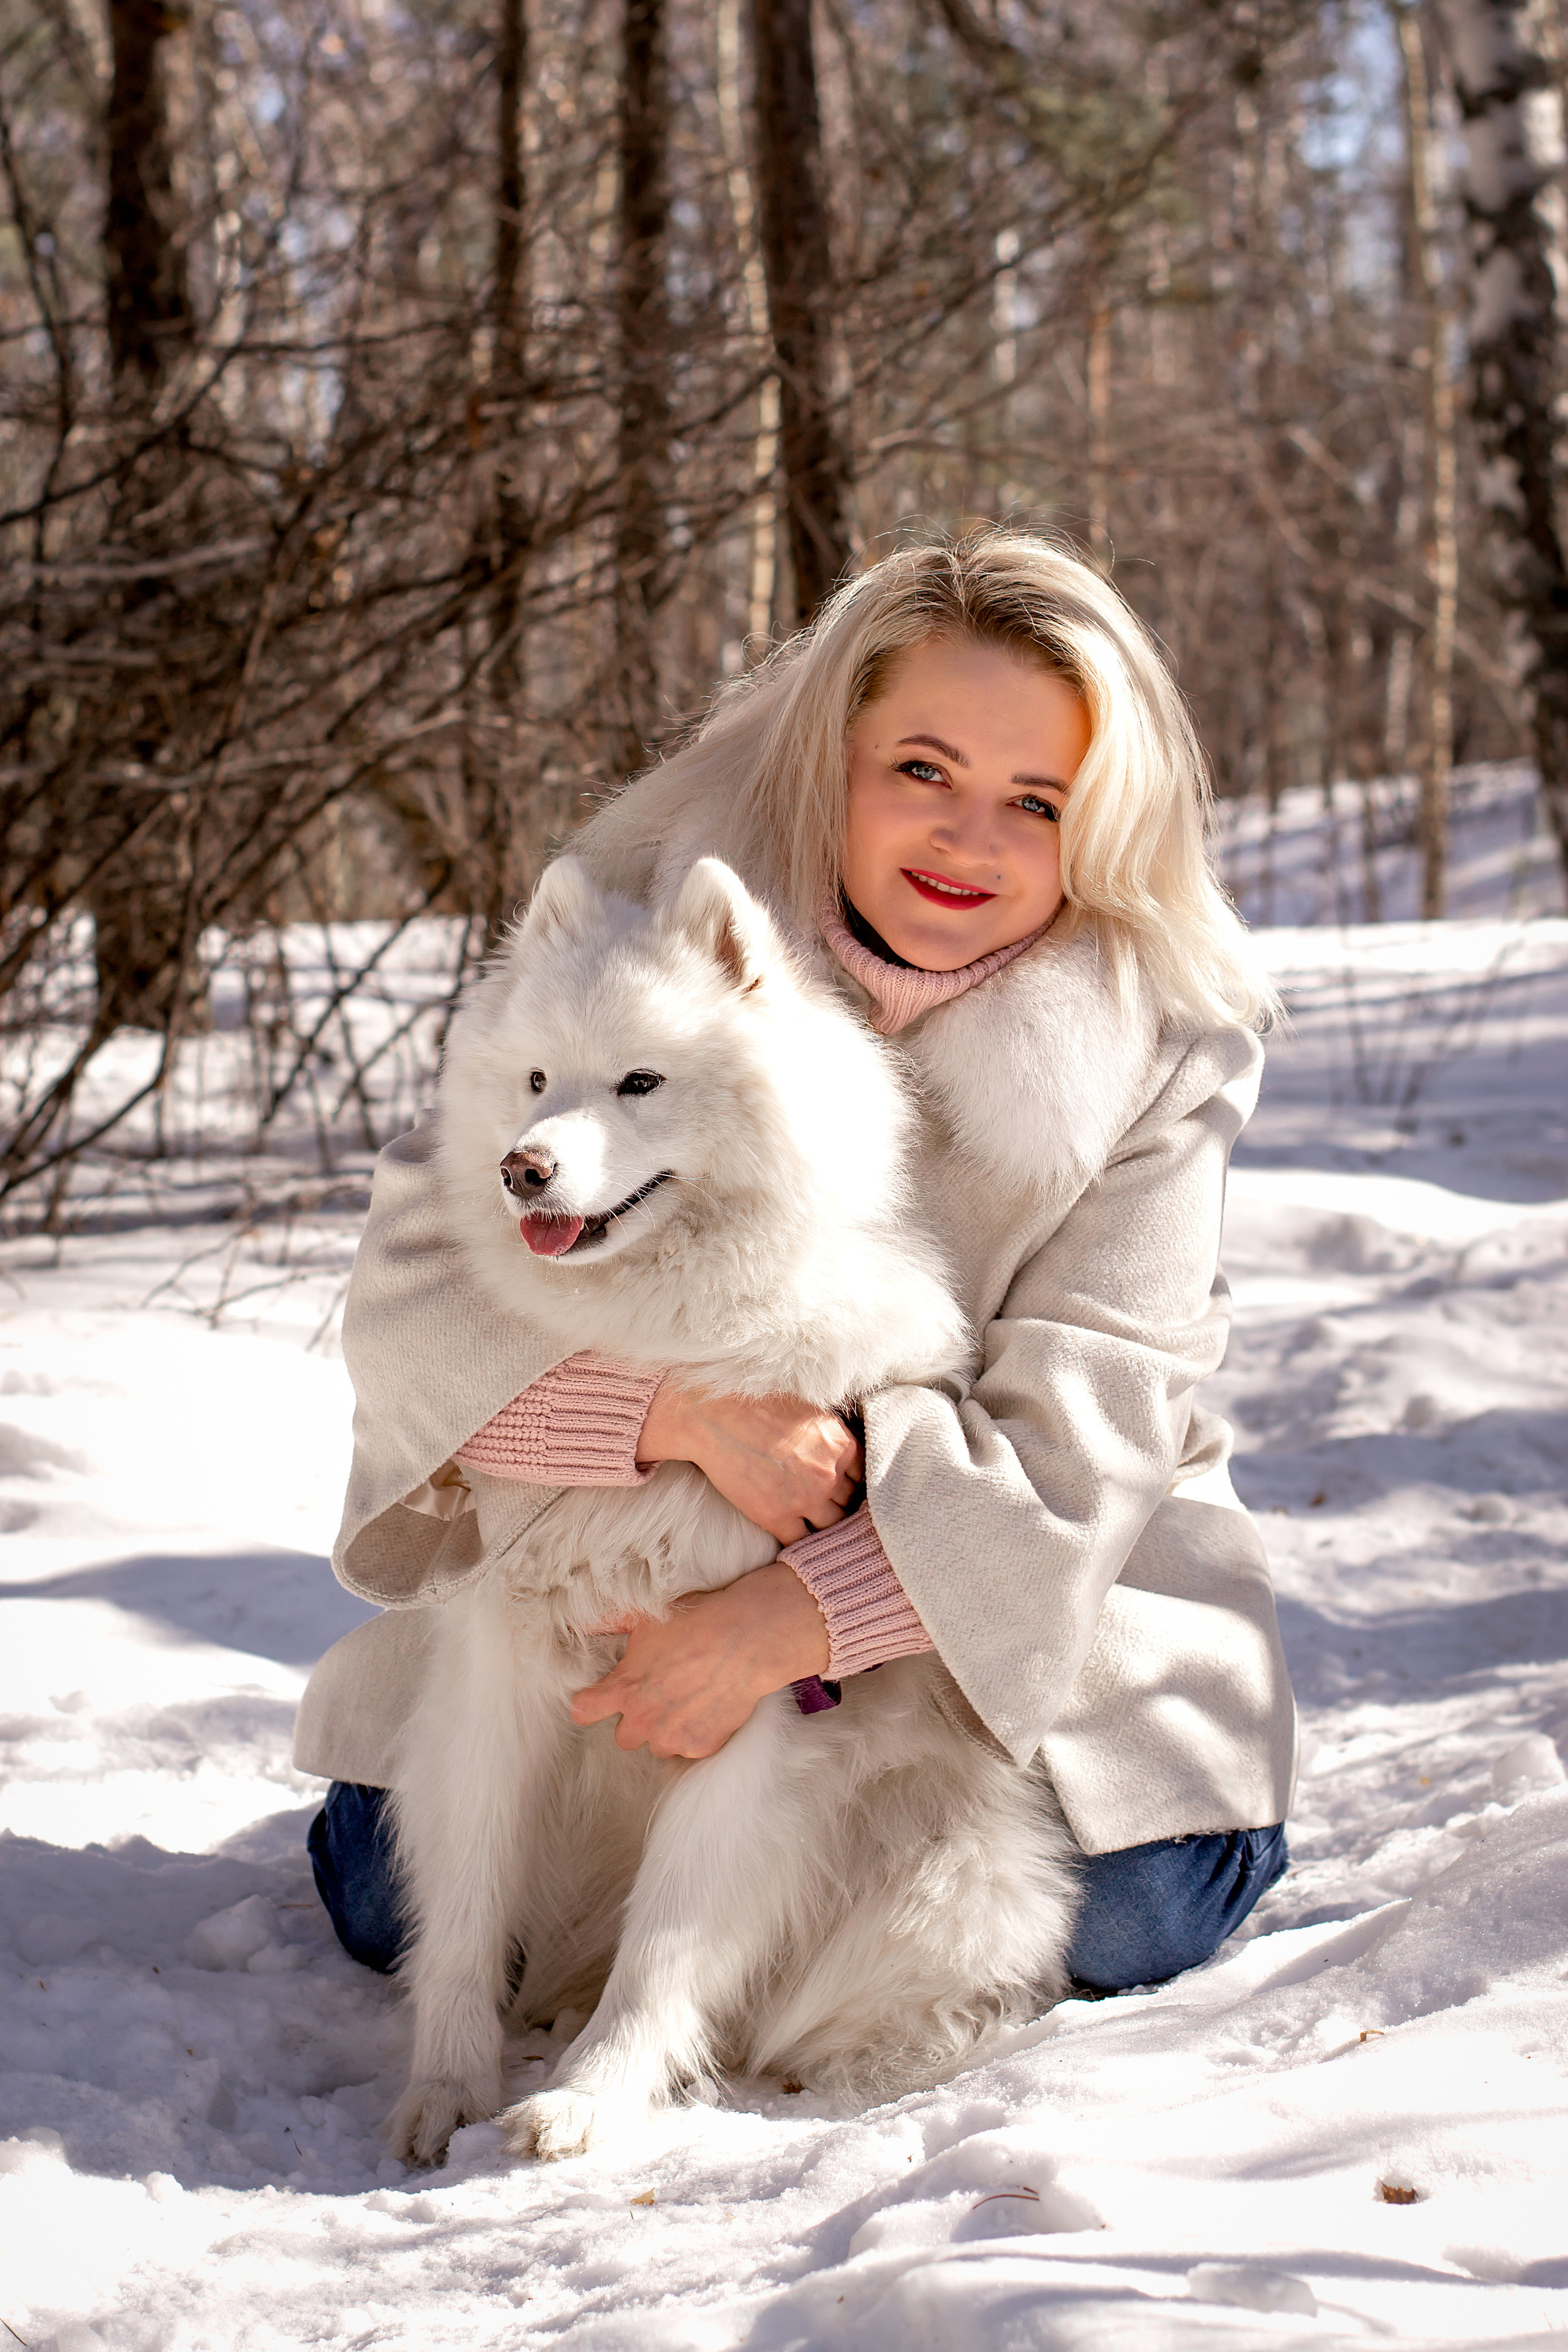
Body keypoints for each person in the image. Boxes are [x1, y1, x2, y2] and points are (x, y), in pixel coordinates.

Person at [296, 527, 1295, 2000]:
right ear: (833, 750)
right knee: (395, 1892)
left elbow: (1097, 1410)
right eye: (921, 771)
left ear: (1101, 827)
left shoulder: (1154, 1045)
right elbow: (421, 1281)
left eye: (1038, 801)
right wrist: (673, 1417)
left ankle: (704, 1948)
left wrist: (799, 1614)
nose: (967, 841)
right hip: (611, 1549)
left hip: (1010, 1586)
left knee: (1131, 1908)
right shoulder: (647, 928)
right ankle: (689, 1928)